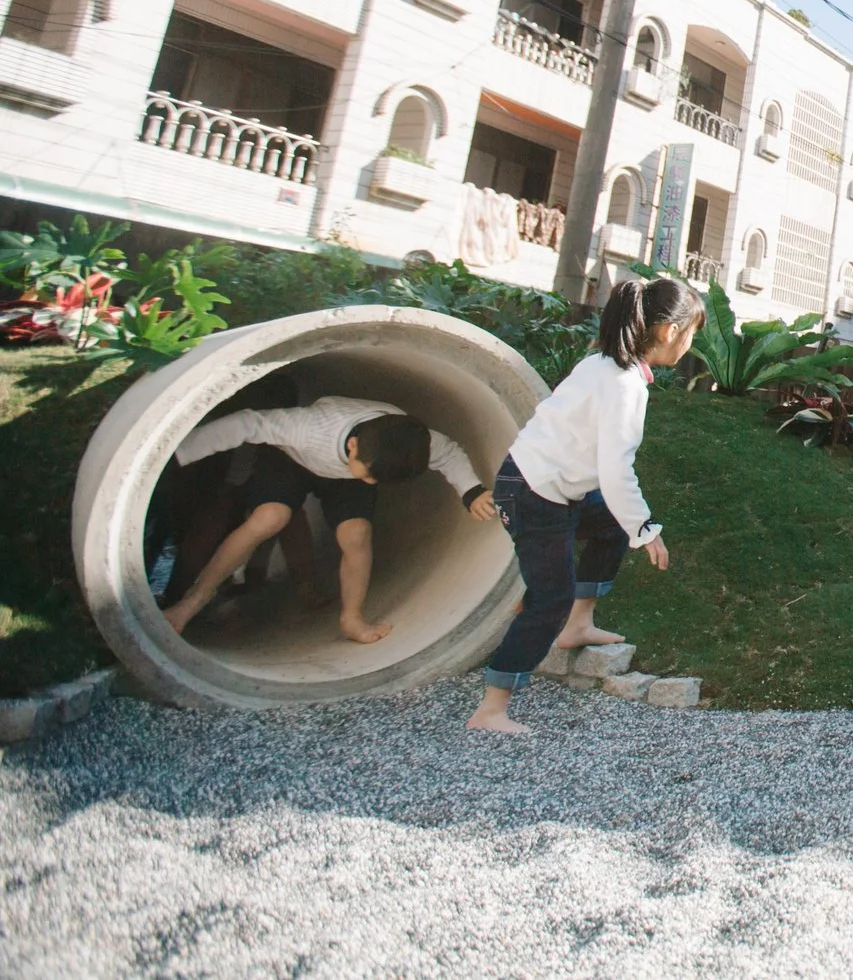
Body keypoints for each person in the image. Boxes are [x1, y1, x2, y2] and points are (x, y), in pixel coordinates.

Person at [468, 276, 700, 735]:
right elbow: (615, 470)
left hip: (549, 485)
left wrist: (629, 524)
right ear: (670, 332)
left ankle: (580, 624)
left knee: (609, 526)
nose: (690, 343)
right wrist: (646, 529)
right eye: (691, 333)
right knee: (547, 599)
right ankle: (491, 709)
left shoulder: (604, 364)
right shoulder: (623, 385)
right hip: (534, 493)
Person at [160, 398, 496, 643]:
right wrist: (178, 454)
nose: (373, 485)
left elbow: (449, 452)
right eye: (370, 478)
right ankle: (192, 602)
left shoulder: (408, 440)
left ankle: (352, 618)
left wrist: (472, 492)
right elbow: (249, 422)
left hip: (346, 473)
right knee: (269, 517)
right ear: (352, 446)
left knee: (357, 534)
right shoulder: (307, 428)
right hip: (293, 460)